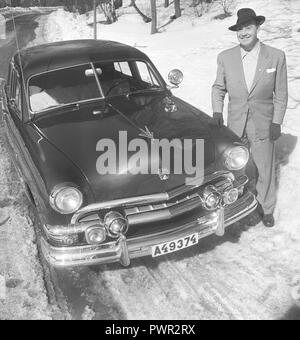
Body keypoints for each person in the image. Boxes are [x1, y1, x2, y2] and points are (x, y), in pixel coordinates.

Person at [211, 8, 288, 227]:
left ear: (257, 28)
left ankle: (266, 207)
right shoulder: (225, 57)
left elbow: (281, 95)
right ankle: (235, 204)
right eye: (240, 29)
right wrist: (217, 111)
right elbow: (218, 88)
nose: (244, 32)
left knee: (265, 167)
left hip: (263, 123)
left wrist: (276, 122)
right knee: (234, 167)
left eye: (249, 27)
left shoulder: (275, 56)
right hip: (235, 123)